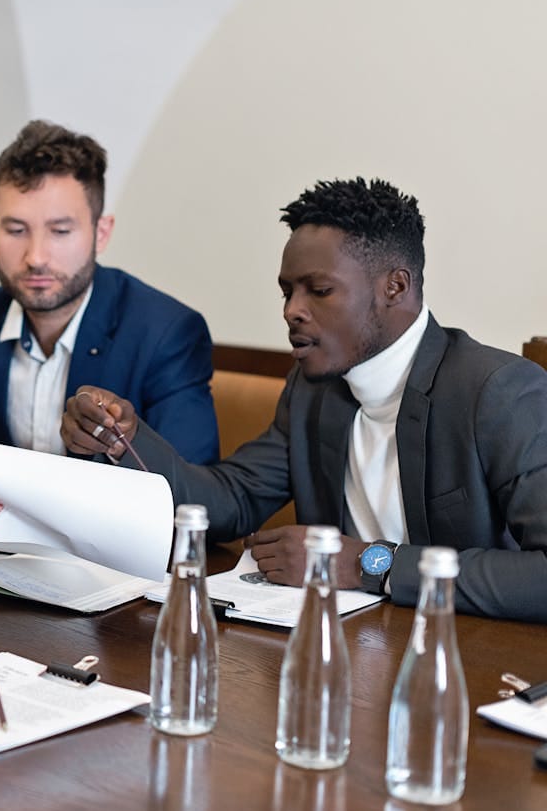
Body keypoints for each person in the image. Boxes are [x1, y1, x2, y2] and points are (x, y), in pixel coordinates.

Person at [63, 177, 547, 623]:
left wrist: (366, 564)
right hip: (346, 653)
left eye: (318, 290)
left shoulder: (498, 392)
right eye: (287, 292)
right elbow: (231, 500)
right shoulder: (312, 388)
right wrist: (124, 438)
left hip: (471, 666)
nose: (292, 311)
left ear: (394, 288)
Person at [0, 119, 219, 482]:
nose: (36, 256)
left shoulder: (165, 330)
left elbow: (187, 489)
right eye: (15, 230)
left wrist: (2, 473)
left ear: (100, 233)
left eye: (60, 231)